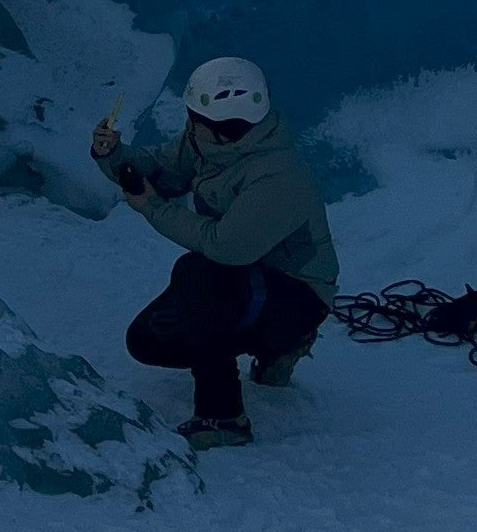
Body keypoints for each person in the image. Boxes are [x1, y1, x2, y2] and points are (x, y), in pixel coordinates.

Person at [94, 56, 338, 449]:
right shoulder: (207, 143)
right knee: (148, 340)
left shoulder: (279, 176)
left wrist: (153, 207)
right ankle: (265, 346)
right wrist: (114, 155)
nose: (189, 123)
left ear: (223, 128)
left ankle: (224, 416)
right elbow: (159, 169)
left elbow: (226, 248)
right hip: (243, 281)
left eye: (195, 117)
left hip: (297, 294)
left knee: (199, 273)